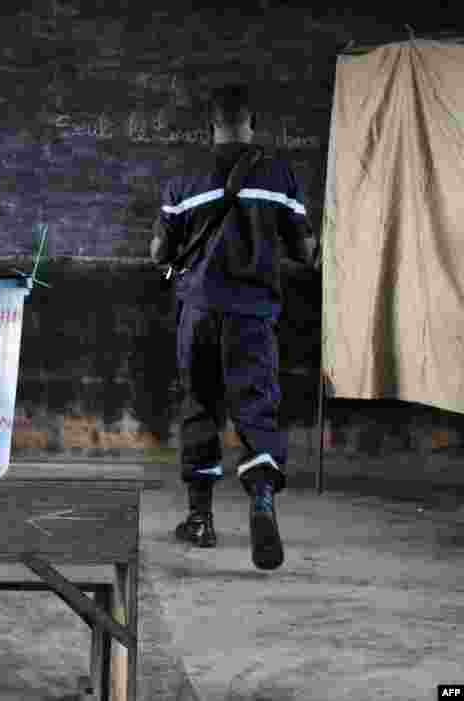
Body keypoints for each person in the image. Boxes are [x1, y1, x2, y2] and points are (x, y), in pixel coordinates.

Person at [150, 84, 317, 571]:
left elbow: (160, 253)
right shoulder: (280, 175)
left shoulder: (183, 179)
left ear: (211, 127)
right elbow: (306, 252)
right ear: (252, 124)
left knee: (200, 406)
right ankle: (261, 499)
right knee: (257, 408)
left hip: (199, 311)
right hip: (253, 313)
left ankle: (200, 520)